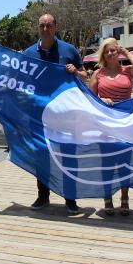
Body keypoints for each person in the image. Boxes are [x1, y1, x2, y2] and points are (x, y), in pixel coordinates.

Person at [23, 13, 87, 213]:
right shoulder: (28, 53)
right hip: (39, 115)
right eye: (42, 25)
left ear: (55, 27)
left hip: (66, 115)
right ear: (38, 28)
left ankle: (71, 198)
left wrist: (76, 72)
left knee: (69, 156)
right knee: (42, 156)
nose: (45, 29)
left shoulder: (69, 50)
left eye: (49, 25)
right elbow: (21, 81)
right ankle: (43, 196)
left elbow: (85, 75)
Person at [88, 38, 133, 216]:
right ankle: (107, 199)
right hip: (106, 126)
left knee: (124, 164)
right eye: (107, 51)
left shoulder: (128, 71)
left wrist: (127, 52)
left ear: (118, 51)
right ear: (103, 54)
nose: (111, 53)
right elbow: (90, 100)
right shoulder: (98, 74)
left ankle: (124, 199)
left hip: (126, 124)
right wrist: (101, 100)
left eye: (114, 50)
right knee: (107, 164)